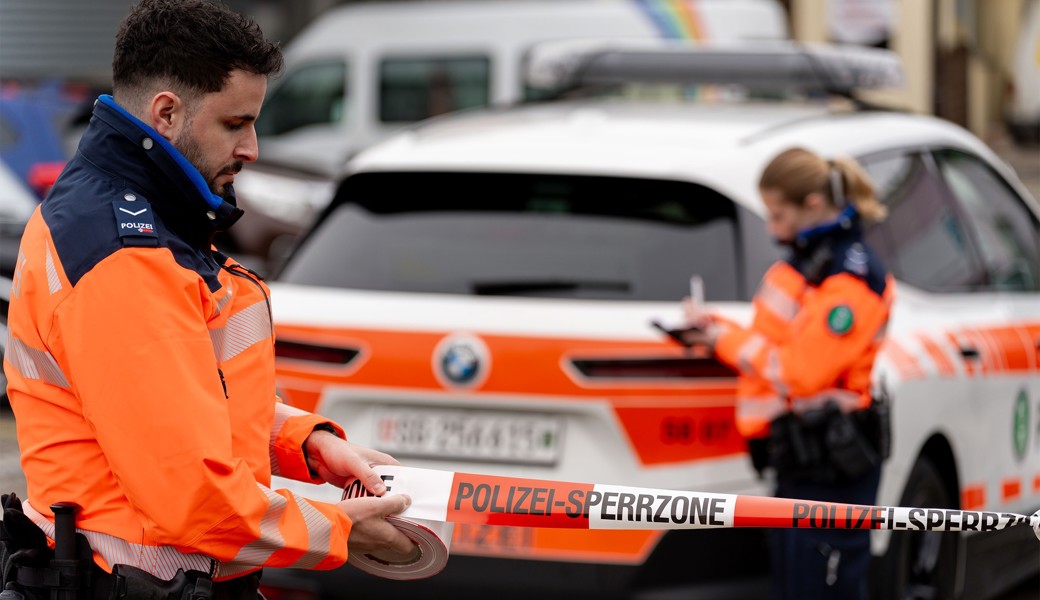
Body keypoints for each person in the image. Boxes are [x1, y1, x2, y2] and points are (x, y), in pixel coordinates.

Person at [1, 1, 415, 598]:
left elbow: (186, 394)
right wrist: (344, 529)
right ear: (166, 113)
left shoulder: (133, 221)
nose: (251, 147)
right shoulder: (126, 256)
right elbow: (195, 499)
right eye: (234, 123)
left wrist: (308, 444)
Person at [682, 147, 893, 600]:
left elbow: (800, 371)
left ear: (813, 205)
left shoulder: (848, 278)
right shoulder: (811, 260)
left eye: (779, 215)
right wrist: (715, 329)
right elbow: (780, 343)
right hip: (801, 458)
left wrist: (723, 342)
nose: (771, 228)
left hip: (831, 465)